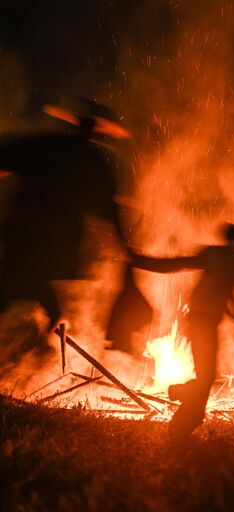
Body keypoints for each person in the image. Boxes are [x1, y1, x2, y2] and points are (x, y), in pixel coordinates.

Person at [131, 223, 234, 439]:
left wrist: (143, 261)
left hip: (198, 321)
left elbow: (178, 264)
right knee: (206, 377)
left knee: (207, 376)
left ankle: (185, 417)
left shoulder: (214, 254)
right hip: (203, 322)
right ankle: (181, 410)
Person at [0, 97, 132, 365]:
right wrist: (127, 250)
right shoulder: (92, 161)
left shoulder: (45, 146)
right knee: (35, 302)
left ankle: (16, 360)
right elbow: (109, 212)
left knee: (24, 297)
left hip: (25, 238)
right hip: (49, 246)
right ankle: (17, 359)